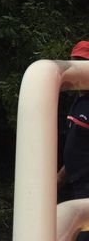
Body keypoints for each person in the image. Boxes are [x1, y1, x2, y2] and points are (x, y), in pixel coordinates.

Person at [58, 41, 89, 241]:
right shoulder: (78, 102)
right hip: (76, 185)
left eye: (83, 62)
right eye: (75, 62)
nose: (78, 68)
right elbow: (77, 145)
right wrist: (61, 176)